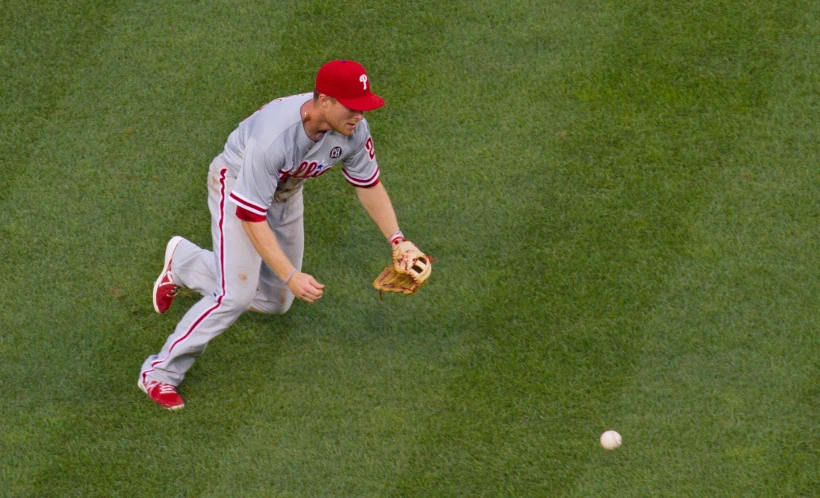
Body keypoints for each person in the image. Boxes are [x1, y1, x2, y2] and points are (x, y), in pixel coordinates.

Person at [139, 60, 424, 410]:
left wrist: (398, 239)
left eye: (363, 107)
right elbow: (250, 214)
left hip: (287, 193)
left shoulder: (353, 130)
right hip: (238, 186)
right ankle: (159, 373)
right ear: (324, 102)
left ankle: (184, 262)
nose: (360, 116)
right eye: (353, 107)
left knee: (277, 301)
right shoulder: (274, 136)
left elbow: (368, 184)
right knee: (235, 296)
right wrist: (291, 274)